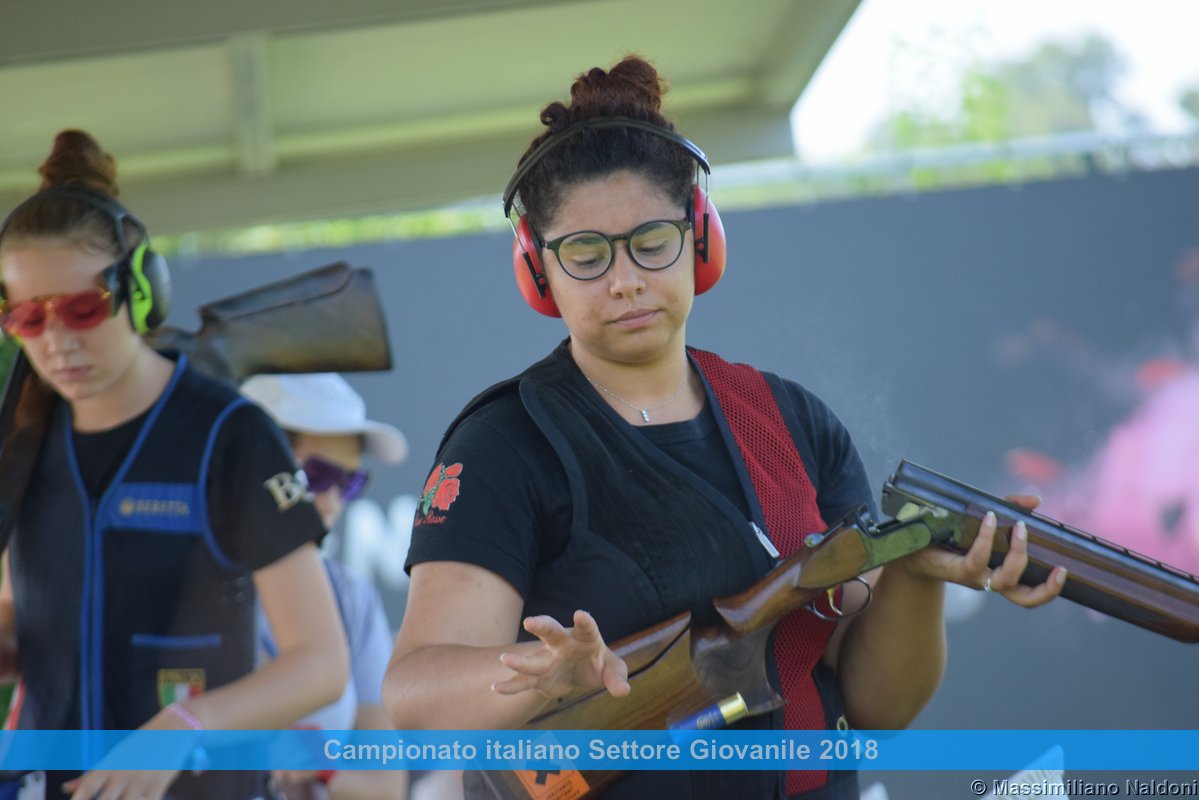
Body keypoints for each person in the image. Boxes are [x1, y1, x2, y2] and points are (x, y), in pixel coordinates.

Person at [383, 56, 1068, 799]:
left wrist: (917, 577)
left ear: (698, 238)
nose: (623, 278)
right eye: (585, 253)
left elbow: (874, 707)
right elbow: (415, 699)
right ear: (536, 269)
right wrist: (542, 682)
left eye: (650, 241)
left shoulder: (788, 420)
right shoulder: (505, 442)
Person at [0, 130, 349, 800]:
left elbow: (320, 665)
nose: (58, 341)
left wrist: (183, 726)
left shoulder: (228, 433)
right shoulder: (20, 438)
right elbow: (20, 615)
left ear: (140, 290)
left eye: (82, 308)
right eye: (28, 319)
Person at [241, 372, 411, 800]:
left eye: (350, 482)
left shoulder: (349, 595)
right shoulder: (179, 577)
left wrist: (320, 771)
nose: (333, 502)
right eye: (317, 476)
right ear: (256, 464)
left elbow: (388, 785)